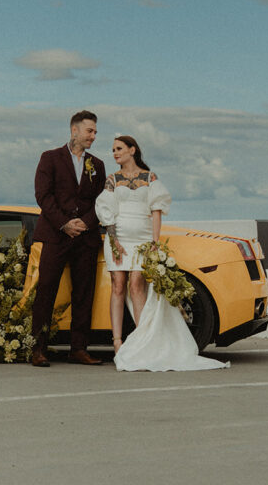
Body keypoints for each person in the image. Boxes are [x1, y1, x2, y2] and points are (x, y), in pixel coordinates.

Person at [95, 135, 229, 372]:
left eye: (119, 148)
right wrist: (113, 240)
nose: (114, 153)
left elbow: (156, 210)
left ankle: (142, 340)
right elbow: (106, 208)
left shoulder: (150, 178)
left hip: (142, 238)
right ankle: (118, 342)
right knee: (118, 285)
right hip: (119, 236)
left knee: (137, 284)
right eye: (113, 149)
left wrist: (155, 242)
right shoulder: (112, 180)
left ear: (132, 150)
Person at [30, 110, 106, 367]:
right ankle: (38, 349)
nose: (93, 136)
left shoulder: (97, 165)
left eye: (95, 132)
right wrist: (64, 223)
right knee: (46, 291)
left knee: (84, 293)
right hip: (55, 236)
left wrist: (85, 223)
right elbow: (43, 195)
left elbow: (101, 201)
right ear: (74, 130)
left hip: (86, 238)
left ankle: (79, 349)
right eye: (89, 131)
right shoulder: (49, 158)